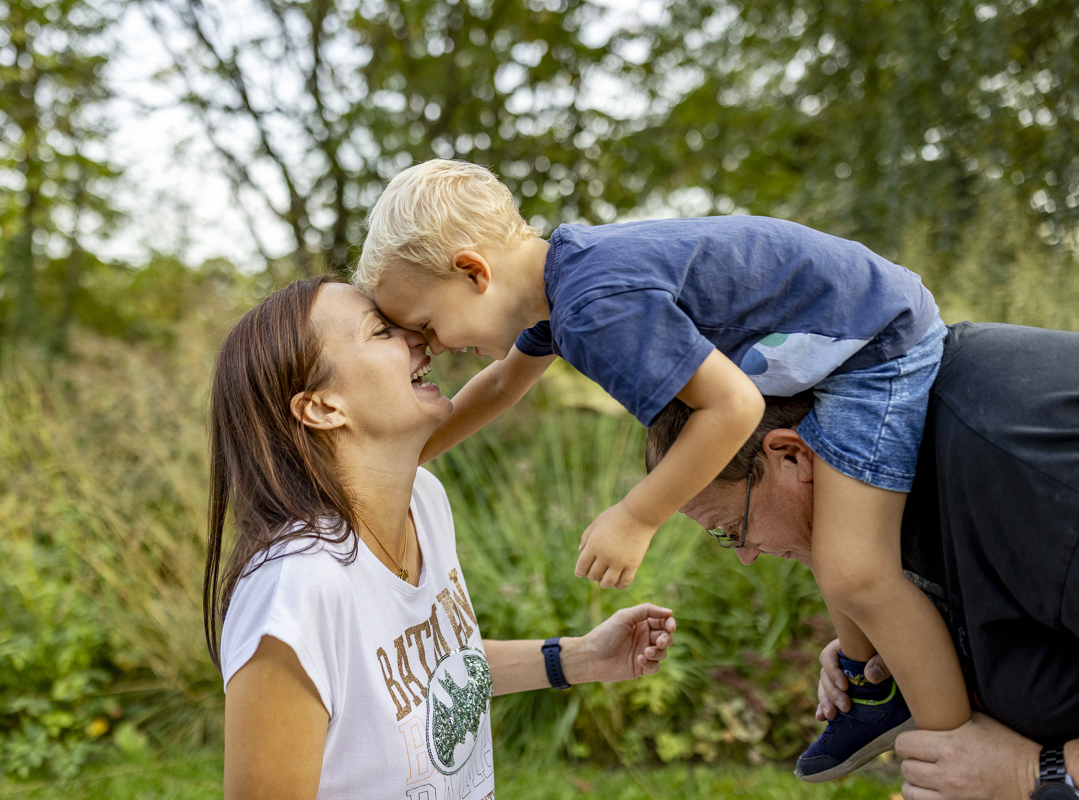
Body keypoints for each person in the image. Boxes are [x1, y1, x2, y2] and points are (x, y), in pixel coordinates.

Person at [354, 158, 967, 778]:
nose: (435, 347)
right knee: (835, 555)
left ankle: (957, 755)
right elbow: (502, 385)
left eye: (430, 325)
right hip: (849, 337)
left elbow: (731, 408)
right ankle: (874, 690)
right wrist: (401, 457)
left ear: (472, 271)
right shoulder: (562, 280)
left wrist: (637, 515)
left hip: (877, 343)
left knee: (857, 572)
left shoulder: (592, 306)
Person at [204, 276, 679, 799]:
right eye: (380, 330)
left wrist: (581, 657)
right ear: (323, 407)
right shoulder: (294, 590)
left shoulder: (423, 501)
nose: (417, 338)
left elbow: (431, 677)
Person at [646, 320, 1079, 799]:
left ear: (790, 455)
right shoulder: (896, 474)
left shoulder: (1019, 465)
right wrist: (916, 639)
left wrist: (1039, 774)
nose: (747, 556)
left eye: (734, 530)